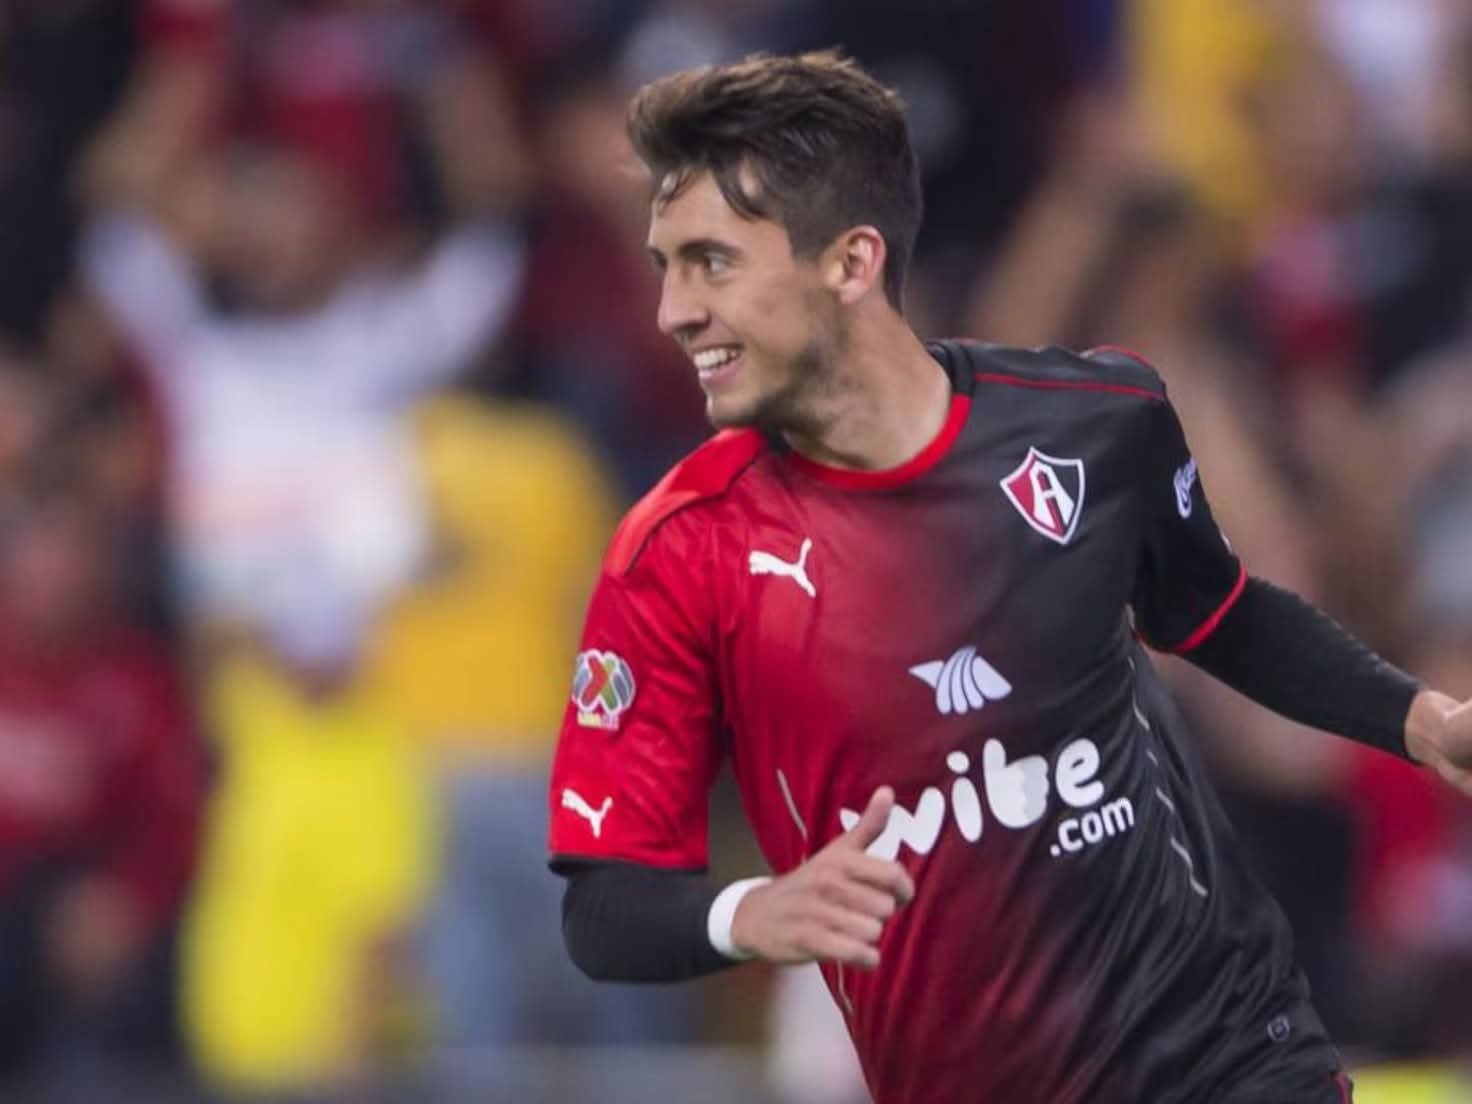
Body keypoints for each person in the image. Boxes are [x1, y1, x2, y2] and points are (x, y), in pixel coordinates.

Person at [546, 50, 1472, 1104]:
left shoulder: (1092, 424)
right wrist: (750, 911)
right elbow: (603, 903)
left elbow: (1218, 616)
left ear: (849, 262)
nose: (672, 309)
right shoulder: (677, 552)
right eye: (665, 265)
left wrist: (1418, 720)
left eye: (710, 262)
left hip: (1233, 1060)